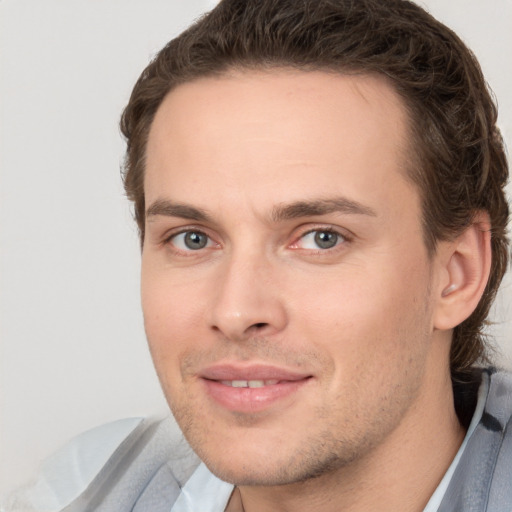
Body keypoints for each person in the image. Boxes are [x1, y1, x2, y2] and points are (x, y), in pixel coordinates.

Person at [3, 0, 510, 511]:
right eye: (192, 238)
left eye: (321, 238)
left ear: (456, 273)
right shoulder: (84, 491)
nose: (236, 311)